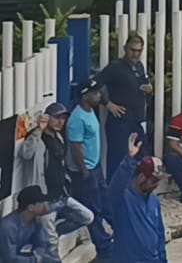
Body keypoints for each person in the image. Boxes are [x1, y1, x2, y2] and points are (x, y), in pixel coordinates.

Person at [17, 103, 93, 251]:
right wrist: (39, 129)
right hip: (45, 198)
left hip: (61, 195)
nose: (60, 122)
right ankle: (45, 238)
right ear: (47, 118)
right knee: (51, 246)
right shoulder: (38, 138)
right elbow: (25, 153)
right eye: (57, 117)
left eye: (63, 118)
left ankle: (49, 233)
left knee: (87, 217)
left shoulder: (59, 138)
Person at [65, 80, 112, 259]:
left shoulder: (91, 111)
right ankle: (104, 246)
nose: (99, 95)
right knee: (93, 208)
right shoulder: (77, 118)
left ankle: (116, 230)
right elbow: (76, 146)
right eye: (95, 93)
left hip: (95, 165)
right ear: (85, 96)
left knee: (103, 200)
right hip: (86, 170)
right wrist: (84, 169)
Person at [107, 138, 167, 263]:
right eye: (154, 181)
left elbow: (160, 234)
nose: (156, 186)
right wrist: (129, 160)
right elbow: (115, 186)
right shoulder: (122, 199)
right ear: (141, 177)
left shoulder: (154, 201)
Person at [97, 36, 151, 165]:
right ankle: (114, 185)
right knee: (118, 159)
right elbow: (95, 84)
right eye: (132, 50)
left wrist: (147, 87)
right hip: (119, 122)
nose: (135, 54)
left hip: (136, 120)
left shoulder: (139, 66)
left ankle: (133, 185)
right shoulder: (115, 67)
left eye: (139, 51)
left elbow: (142, 81)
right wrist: (107, 103)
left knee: (140, 156)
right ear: (125, 49)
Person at [0, 186, 58, 263]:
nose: (44, 205)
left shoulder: (35, 221)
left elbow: (41, 243)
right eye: (40, 203)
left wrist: (38, 254)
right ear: (30, 207)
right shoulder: (8, 227)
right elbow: (10, 259)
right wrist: (37, 260)